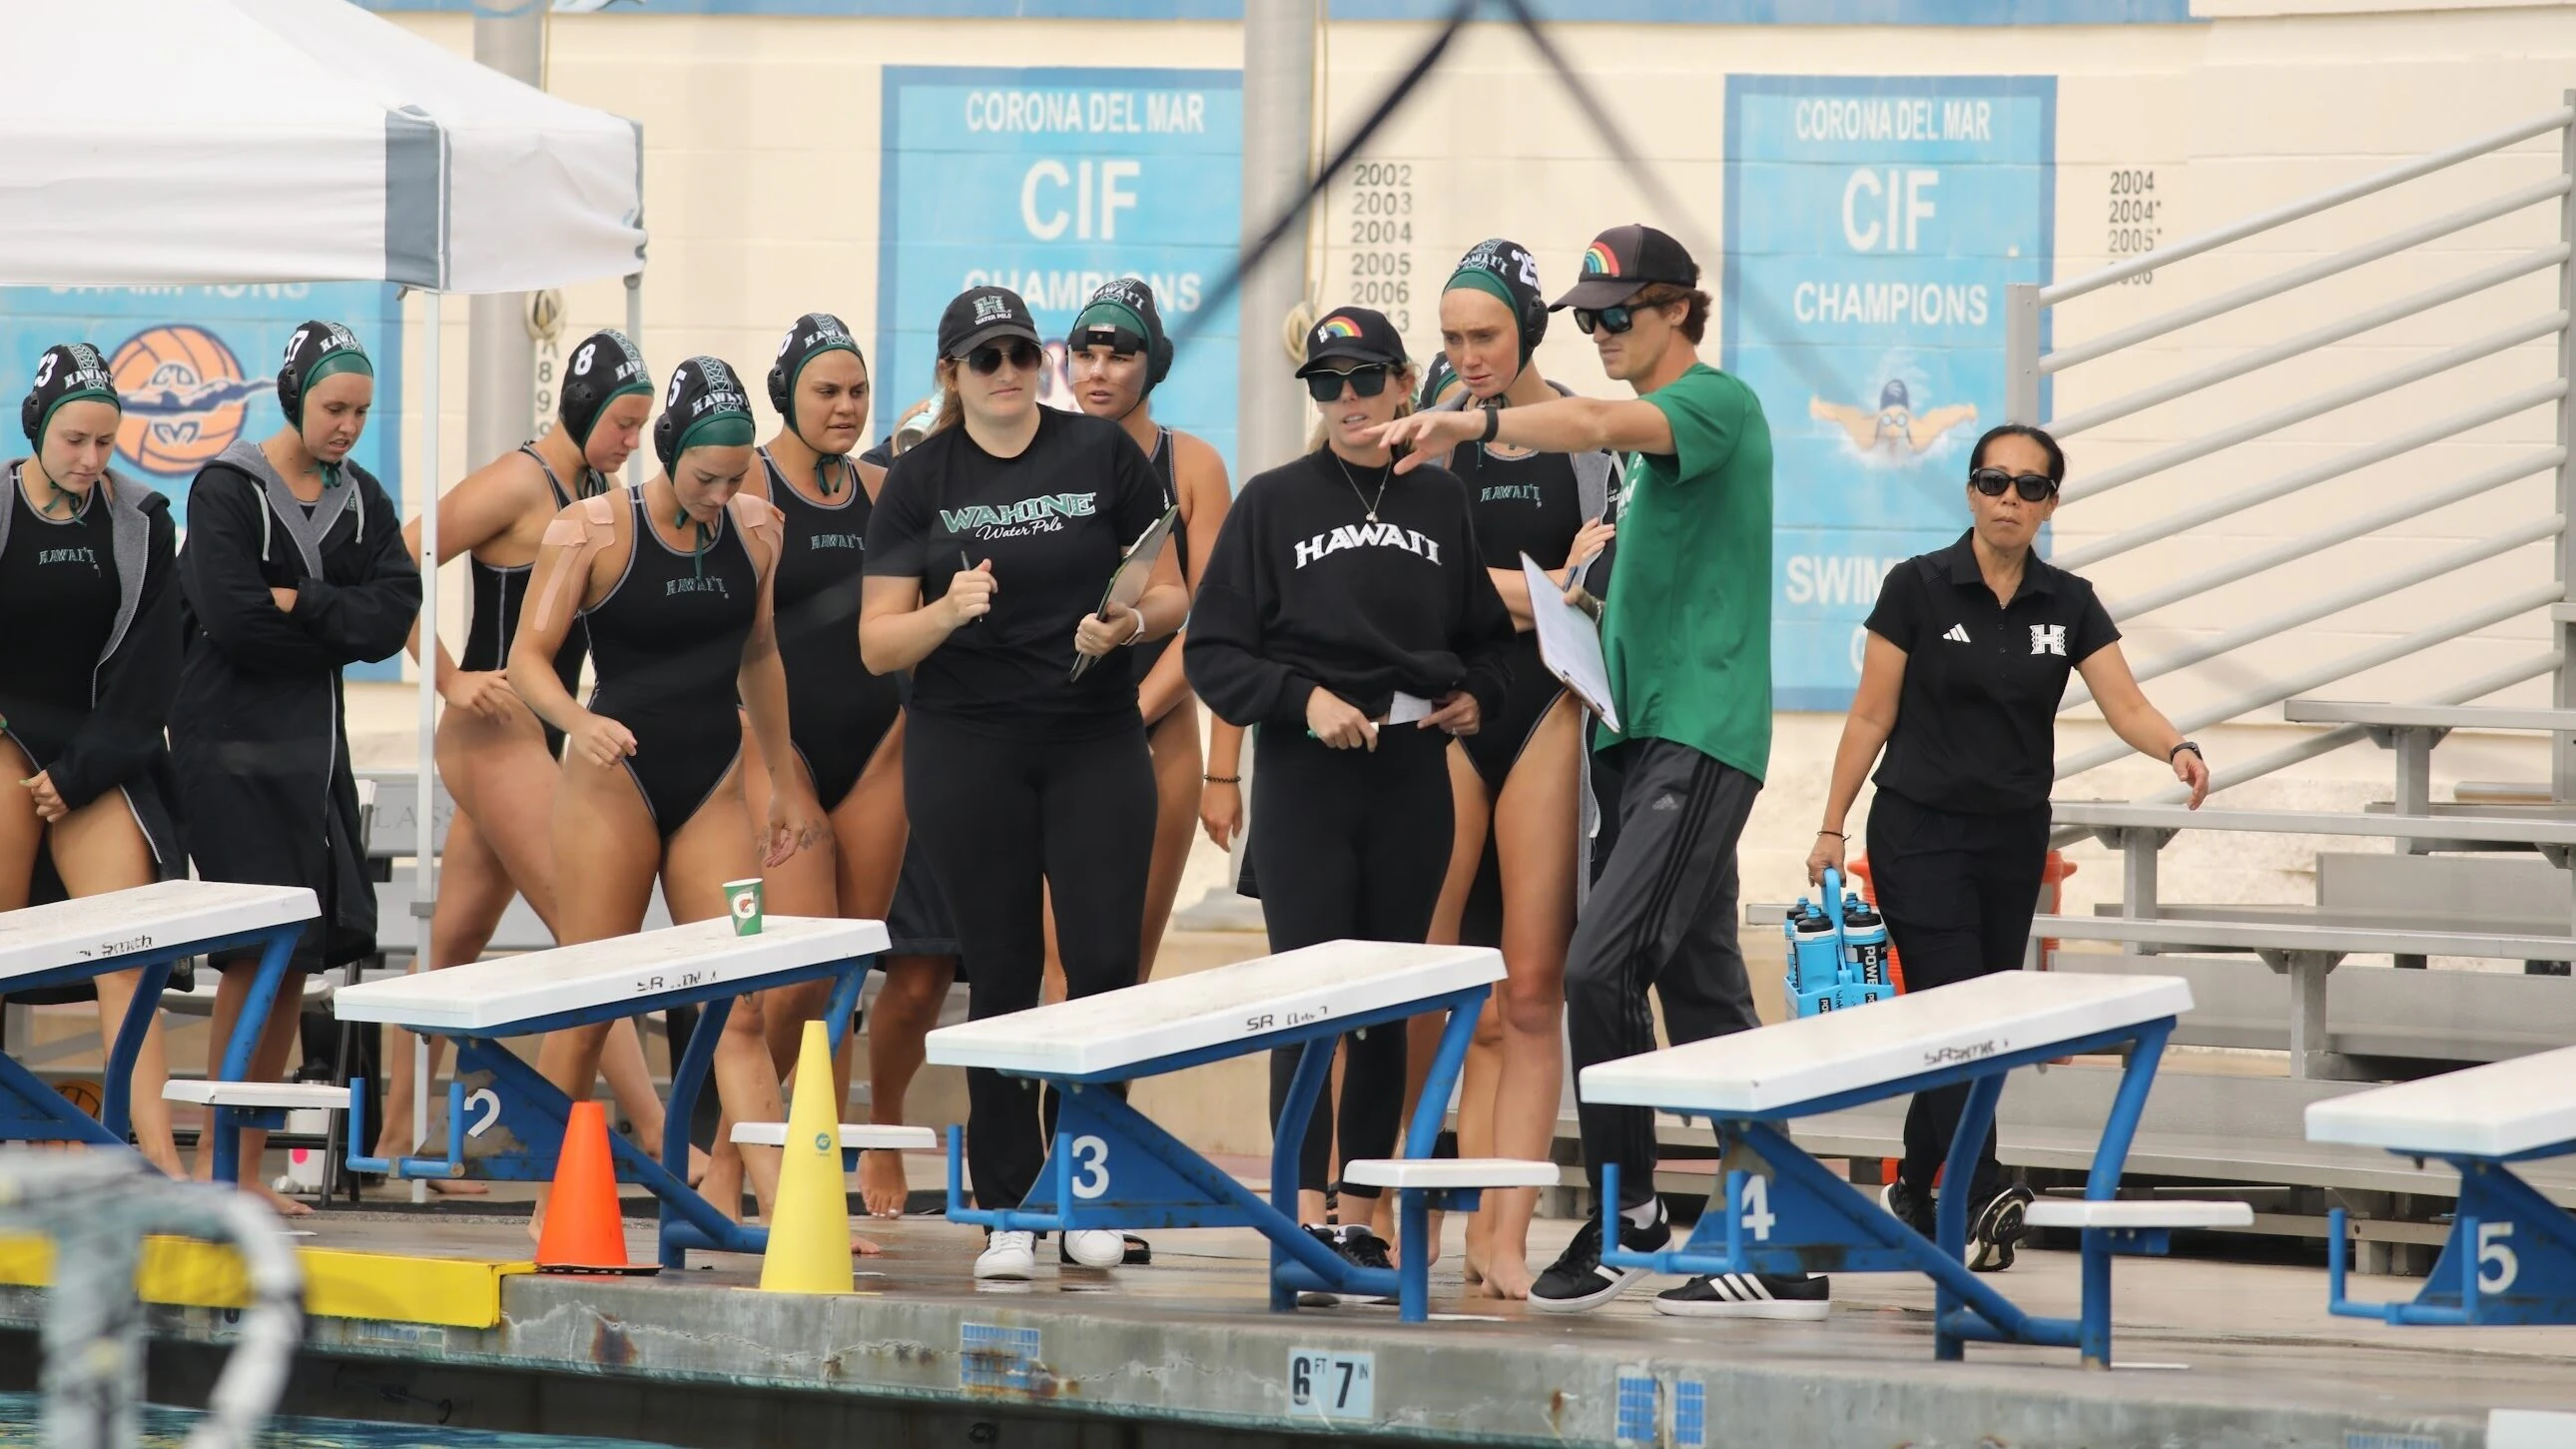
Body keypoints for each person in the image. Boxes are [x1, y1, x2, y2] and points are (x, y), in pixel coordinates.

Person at [1377, 224, 1816, 1318]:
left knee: (1591, 970)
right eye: (1588, 317)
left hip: (1700, 734)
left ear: (1678, 310)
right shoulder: (1642, 474)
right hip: (1637, 736)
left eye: (1617, 314)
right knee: (1703, 988)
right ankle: (1780, 1238)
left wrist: (1466, 419)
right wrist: (1583, 581)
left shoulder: (1716, 404)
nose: (1602, 333)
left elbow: (1589, 415)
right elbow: (1623, 568)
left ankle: (1629, 1211)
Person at [1811, 422, 2211, 1269]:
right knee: (1958, 1004)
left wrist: (2177, 745)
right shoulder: (1916, 587)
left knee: (1974, 1022)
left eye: (2031, 488)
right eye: (1995, 482)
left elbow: (2124, 702)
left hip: (2010, 840)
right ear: (1970, 491)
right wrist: (1831, 822)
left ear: (2051, 504)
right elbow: (1871, 714)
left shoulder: (2068, 602)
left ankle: (1918, 1185)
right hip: (1918, 833)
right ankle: (1985, 1184)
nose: (2010, 500)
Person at [859, 286, 1186, 1282]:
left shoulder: (1099, 453)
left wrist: (1127, 625)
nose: (1006, 373)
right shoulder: (921, 479)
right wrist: (948, 611)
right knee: (998, 971)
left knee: (1101, 966)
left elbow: (1172, 590)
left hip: (1092, 736)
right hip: (968, 744)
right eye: (984, 358)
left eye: (1017, 354)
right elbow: (877, 644)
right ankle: (1008, 1203)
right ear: (951, 374)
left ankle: (1088, 1185)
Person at [1187, 306, 1515, 1289]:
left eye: (1365, 379)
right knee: (1305, 998)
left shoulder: (1442, 502)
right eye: (1327, 384)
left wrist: (1476, 695)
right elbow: (1214, 651)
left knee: (1386, 1000)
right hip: (1307, 775)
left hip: (1411, 770)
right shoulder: (1274, 500)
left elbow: (1490, 639)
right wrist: (1303, 699)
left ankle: (1363, 1212)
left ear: (1404, 384)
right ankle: (1299, 1210)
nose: (1347, 400)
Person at [510, 357, 826, 1234]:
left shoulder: (760, 527)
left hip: (715, 784)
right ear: (668, 451)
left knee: (743, 1001)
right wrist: (580, 719)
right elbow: (529, 660)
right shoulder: (591, 529)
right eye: (705, 477)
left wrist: (787, 785)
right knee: (589, 1001)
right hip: (612, 784)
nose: (722, 493)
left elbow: (761, 656)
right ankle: (549, 1199)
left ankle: (783, 1206)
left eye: (736, 476)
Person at [375, 329, 686, 1187]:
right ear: (585, 411)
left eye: (641, 426)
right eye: (623, 423)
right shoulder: (519, 482)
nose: (632, 442)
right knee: (589, 933)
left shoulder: (597, 491)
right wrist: (447, 679)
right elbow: (395, 560)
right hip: (493, 731)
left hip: (541, 735)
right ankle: (659, 1131)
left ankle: (403, 1138)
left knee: (454, 943)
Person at [172, 322, 420, 1211]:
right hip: (226, 746)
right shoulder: (227, 489)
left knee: (294, 957)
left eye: (359, 409)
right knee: (252, 952)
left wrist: (307, 600)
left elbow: (392, 616)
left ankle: (244, 1168)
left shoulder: (362, 501)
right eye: (332, 407)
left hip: (311, 753)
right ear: (294, 400)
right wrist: (331, 629)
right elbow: (235, 620)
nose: (348, 425)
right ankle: (217, 1169)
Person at [1417, 240, 1618, 1299]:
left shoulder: (1585, 437)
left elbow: (1598, 592)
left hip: (1542, 707)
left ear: (1528, 330)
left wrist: (1527, 588)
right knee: (1439, 984)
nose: (1465, 356)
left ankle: (1505, 1232)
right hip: (1450, 708)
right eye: (1450, 338)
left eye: (1483, 335)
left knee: (1531, 988)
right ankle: (1419, 1203)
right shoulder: (1434, 437)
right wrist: (1541, 580)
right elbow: (1422, 586)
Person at [697, 313, 909, 1225]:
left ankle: (770, 1180)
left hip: (879, 745)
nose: (847, 407)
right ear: (788, 392)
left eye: (858, 391)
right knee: (793, 975)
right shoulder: (746, 481)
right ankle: (727, 1161)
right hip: (778, 750)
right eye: (827, 390)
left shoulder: (886, 489)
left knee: (844, 978)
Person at [0, 344, 187, 1174]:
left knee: (129, 956)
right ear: (36, 427)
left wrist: (78, 773)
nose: (91, 460)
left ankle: (156, 1161)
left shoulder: (142, 519)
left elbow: (153, 674)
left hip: (94, 751)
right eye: (76, 439)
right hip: (5, 740)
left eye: (107, 443)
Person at [1064, 279, 1233, 984]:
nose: (1099, 371)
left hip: (1155, 728)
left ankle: (1098, 1098)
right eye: (1085, 352)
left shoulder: (1191, 465)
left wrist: (1218, 767)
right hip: (1058, 730)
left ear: (1153, 364)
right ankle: (1052, 1099)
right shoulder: (1042, 456)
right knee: (1055, 959)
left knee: (1125, 967)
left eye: (1120, 353)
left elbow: (1218, 618)